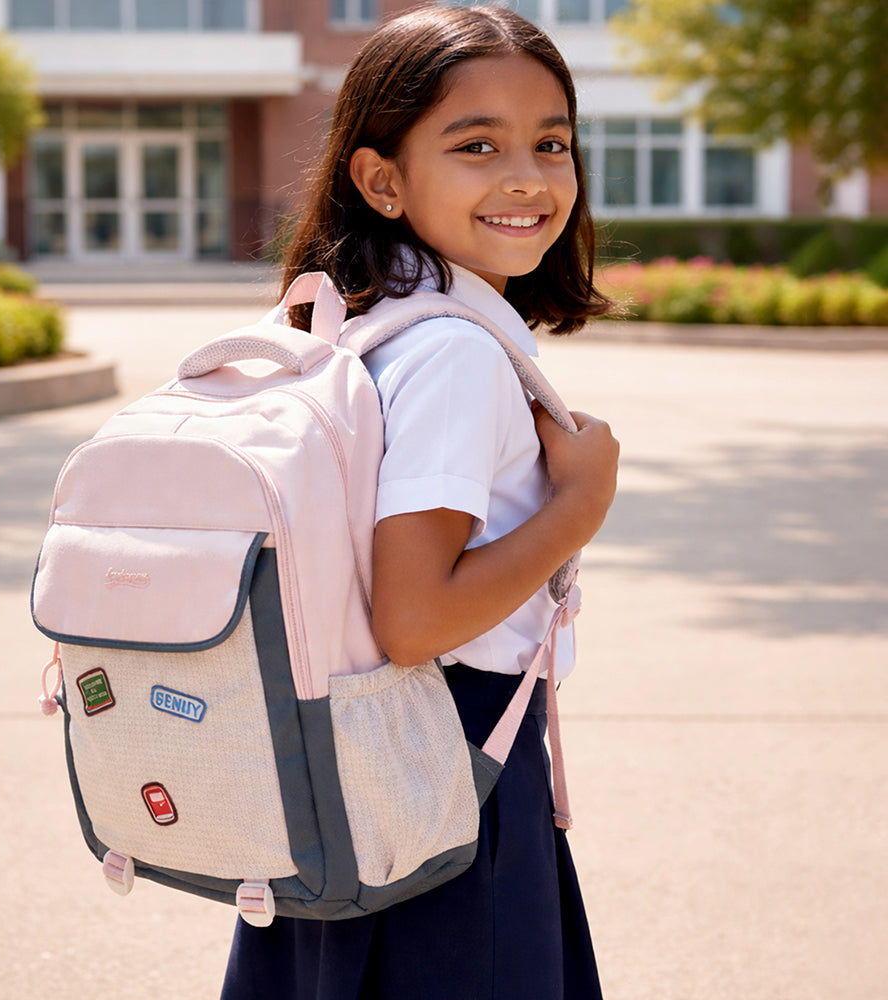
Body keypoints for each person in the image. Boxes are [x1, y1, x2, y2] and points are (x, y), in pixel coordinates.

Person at [221, 5, 619, 998]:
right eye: (476, 145)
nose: (527, 178)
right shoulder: (452, 354)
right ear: (381, 180)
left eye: (551, 143)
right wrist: (580, 503)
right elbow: (415, 618)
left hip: (336, 769)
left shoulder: (357, 323)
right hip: (443, 772)